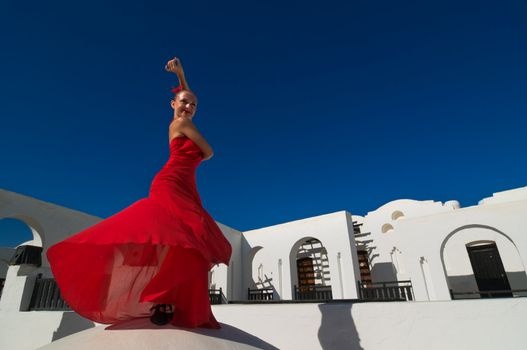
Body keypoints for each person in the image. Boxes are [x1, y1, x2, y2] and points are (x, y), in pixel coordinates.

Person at [46, 57, 232, 329]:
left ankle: (165, 297)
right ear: (173, 105)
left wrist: (181, 76)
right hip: (171, 183)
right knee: (194, 239)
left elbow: (185, 96)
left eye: (194, 104)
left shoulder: (179, 120)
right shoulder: (181, 125)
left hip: (186, 187)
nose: (189, 106)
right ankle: (163, 295)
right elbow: (210, 152)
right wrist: (203, 152)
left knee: (186, 241)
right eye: (184, 102)